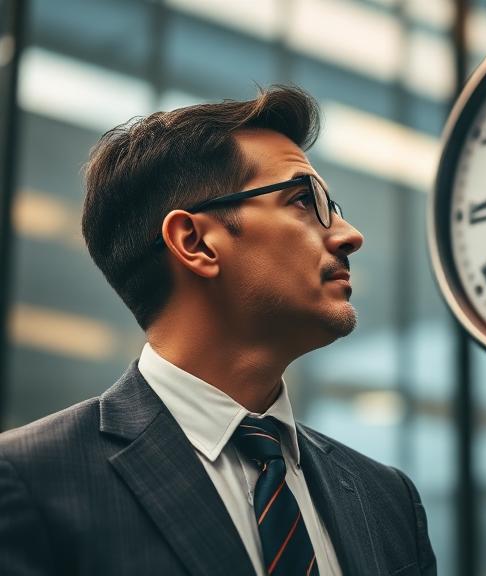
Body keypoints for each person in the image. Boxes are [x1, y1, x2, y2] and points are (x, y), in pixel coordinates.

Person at [0, 85, 437, 576]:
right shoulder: (29, 482)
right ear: (195, 242)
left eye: (332, 207)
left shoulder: (388, 500)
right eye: (302, 200)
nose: (348, 234)